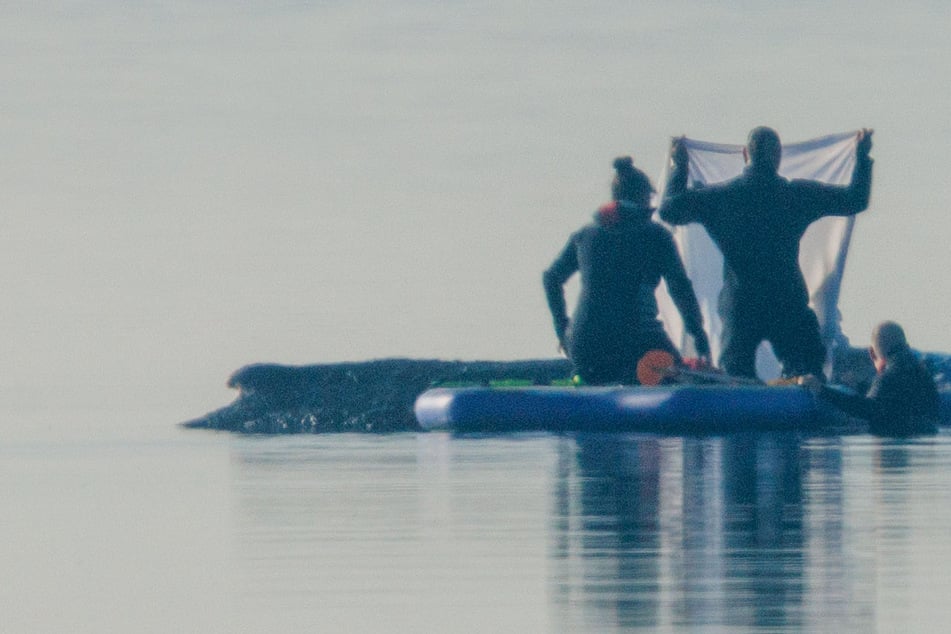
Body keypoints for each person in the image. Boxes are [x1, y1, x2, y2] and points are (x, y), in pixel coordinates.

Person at [658, 126, 874, 380]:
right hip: (786, 300)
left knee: (736, 380)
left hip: (741, 304)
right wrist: (862, 155)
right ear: (778, 156)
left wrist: (679, 165)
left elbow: (669, 210)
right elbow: (856, 199)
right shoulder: (794, 196)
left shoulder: (722, 197)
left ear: (744, 154)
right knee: (808, 377)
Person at [543, 156, 710, 385]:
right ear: (643, 197)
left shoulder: (585, 235)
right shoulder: (656, 236)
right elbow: (680, 289)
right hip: (634, 342)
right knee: (680, 375)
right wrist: (699, 337)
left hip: (584, 349)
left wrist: (564, 331)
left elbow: (551, 277)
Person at [802, 321, 940, 435]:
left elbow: (867, 409)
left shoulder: (888, 377)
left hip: (896, 437)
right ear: (907, 346)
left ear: (872, 353)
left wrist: (821, 390)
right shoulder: (924, 375)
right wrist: (861, 387)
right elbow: (894, 400)